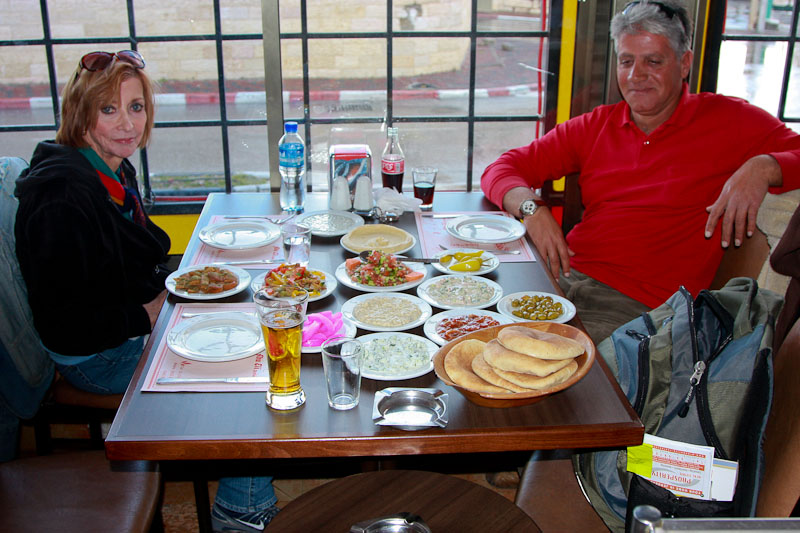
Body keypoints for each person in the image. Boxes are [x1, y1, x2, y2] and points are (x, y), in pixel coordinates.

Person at [14, 50, 279, 531]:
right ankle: (241, 510)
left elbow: (127, 264)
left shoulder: (110, 169)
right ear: (80, 113)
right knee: (239, 371)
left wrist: (176, 293)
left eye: (136, 107)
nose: (127, 124)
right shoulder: (61, 198)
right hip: (98, 356)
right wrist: (150, 313)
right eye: (108, 109)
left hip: (126, 324)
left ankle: (243, 495)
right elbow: (66, 325)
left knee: (254, 316)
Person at [481, 0, 800, 343]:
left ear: (684, 64)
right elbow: (501, 168)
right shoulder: (596, 125)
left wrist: (764, 167)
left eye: (653, 61)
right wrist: (533, 209)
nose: (636, 75)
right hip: (563, 277)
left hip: (640, 309)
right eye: (626, 61)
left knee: (538, 363)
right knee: (470, 326)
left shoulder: (729, 120)